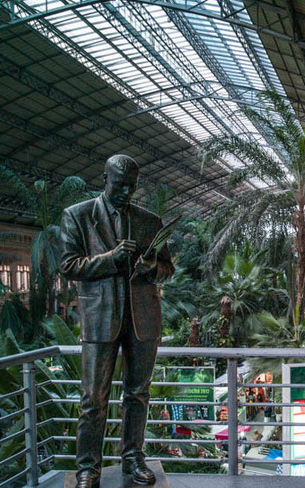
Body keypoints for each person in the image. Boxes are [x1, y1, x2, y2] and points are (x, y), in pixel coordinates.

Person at [60, 154, 175, 488]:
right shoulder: (78, 216)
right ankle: (87, 468)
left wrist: (150, 268)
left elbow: (167, 268)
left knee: (137, 394)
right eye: (119, 185)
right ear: (104, 179)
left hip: (142, 319)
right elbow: (68, 266)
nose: (126, 192)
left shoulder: (149, 221)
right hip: (100, 319)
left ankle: (133, 459)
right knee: (93, 398)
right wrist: (109, 260)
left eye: (131, 186)